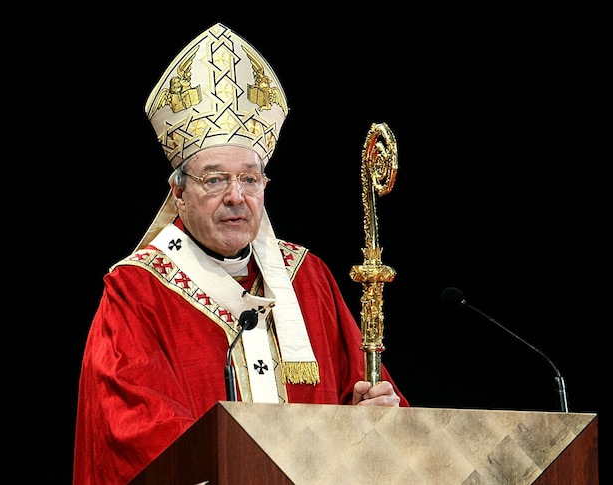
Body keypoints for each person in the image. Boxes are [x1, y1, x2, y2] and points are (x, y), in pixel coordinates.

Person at [73, 22, 408, 485]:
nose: (236, 196)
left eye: (249, 180)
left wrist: (374, 415)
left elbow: (369, 410)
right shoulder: (137, 290)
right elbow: (133, 433)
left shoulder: (307, 276)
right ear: (179, 193)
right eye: (215, 179)